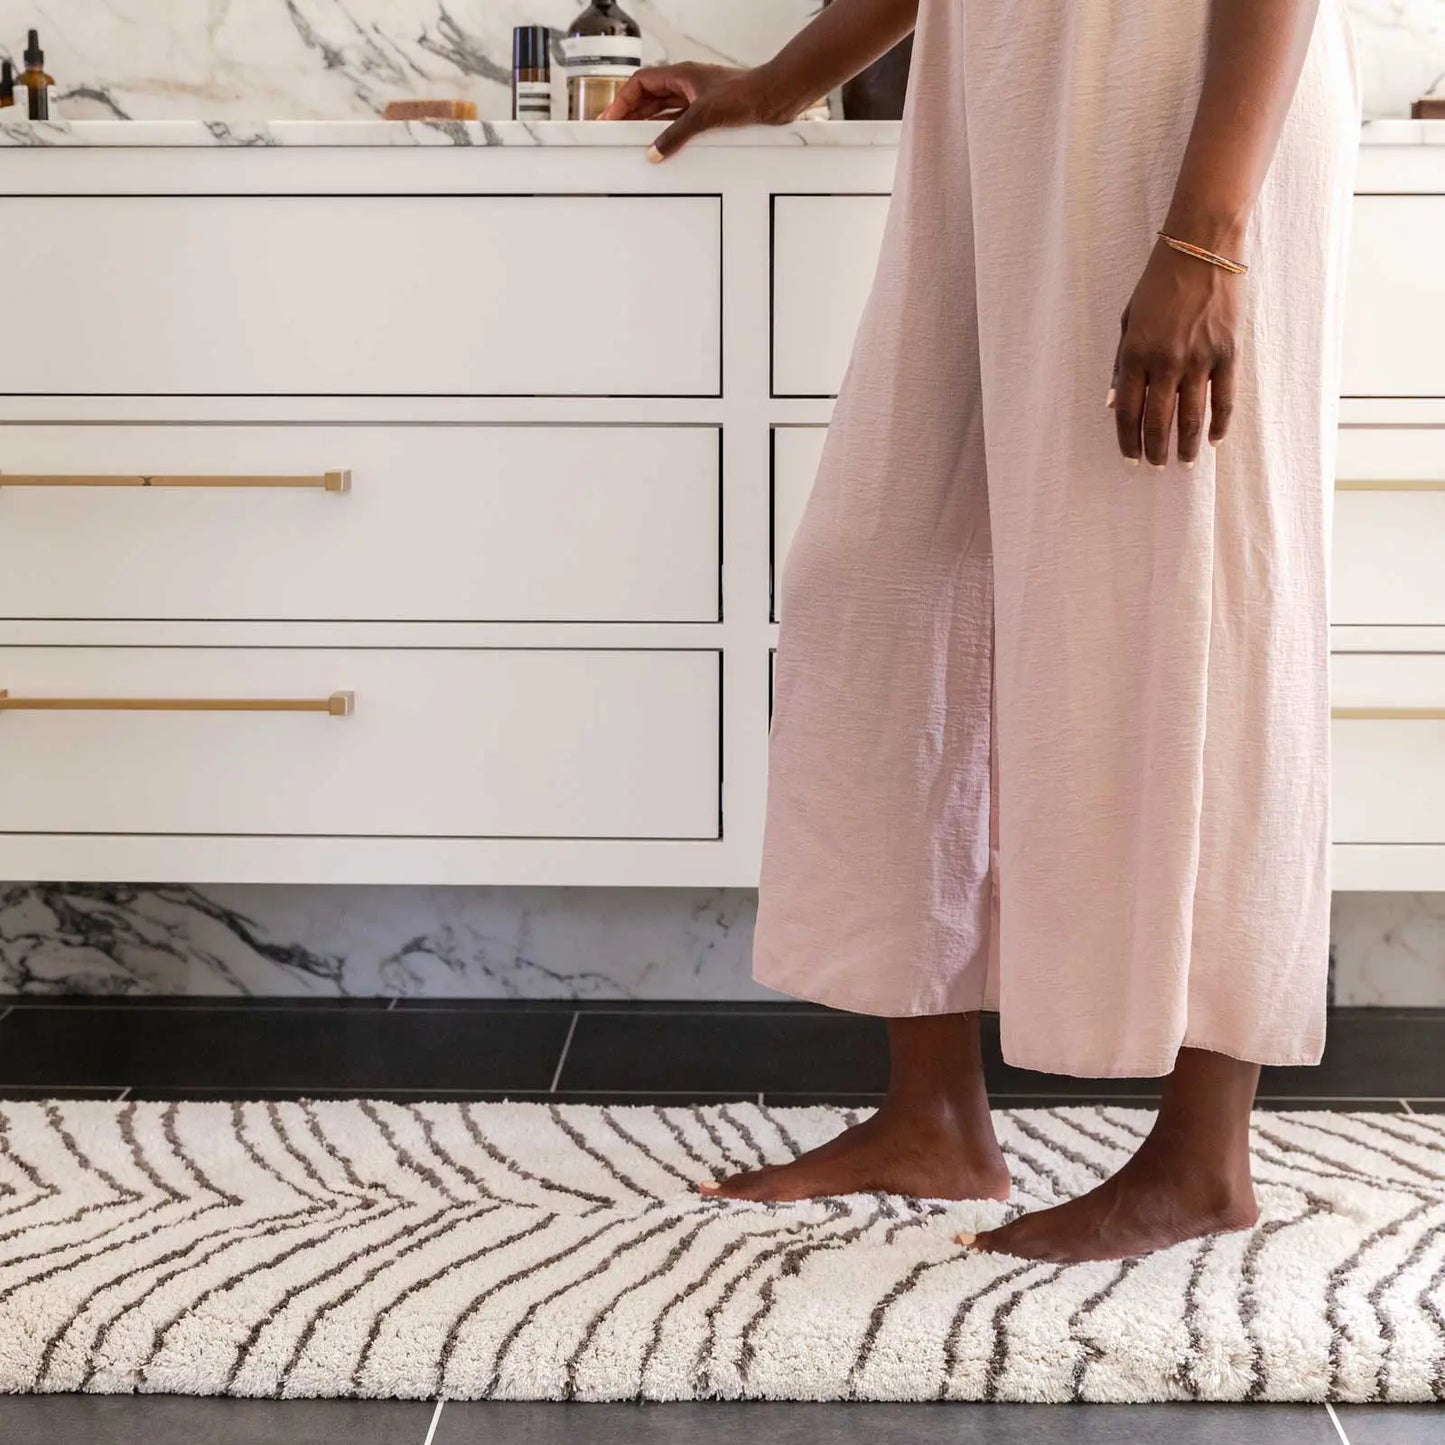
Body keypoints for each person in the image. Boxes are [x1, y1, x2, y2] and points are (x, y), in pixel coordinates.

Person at [602, 0, 1360, 1263]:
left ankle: (1201, 1159)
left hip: (1184, 114)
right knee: (889, 578)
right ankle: (932, 1117)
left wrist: (1207, 238)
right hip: (999, 101)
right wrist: (782, 82)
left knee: (1196, 597)